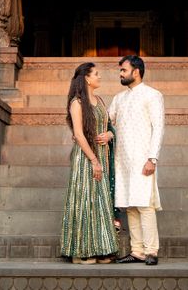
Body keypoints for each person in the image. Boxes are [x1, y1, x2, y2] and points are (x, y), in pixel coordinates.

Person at [59, 62, 118, 264]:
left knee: (100, 201)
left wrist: (110, 134)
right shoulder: (76, 102)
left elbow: (110, 126)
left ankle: (101, 248)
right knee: (84, 200)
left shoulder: (100, 100)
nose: (99, 77)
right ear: (86, 78)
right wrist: (93, 160)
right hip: (86, 157)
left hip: (102, 155)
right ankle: (81, 251)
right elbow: (78, 134)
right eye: (96, 74)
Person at [108, 55, 165, 266]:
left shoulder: (152, 95)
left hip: (143, 159)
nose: (121, 74)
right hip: (122, 160)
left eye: (123, 70)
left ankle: (151, 251)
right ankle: (137, 251)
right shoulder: (119, 98)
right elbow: (108, 122)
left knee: (144, 205)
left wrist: (152, 158)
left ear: (136, 71)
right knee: (130, 206)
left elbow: (158, 127)